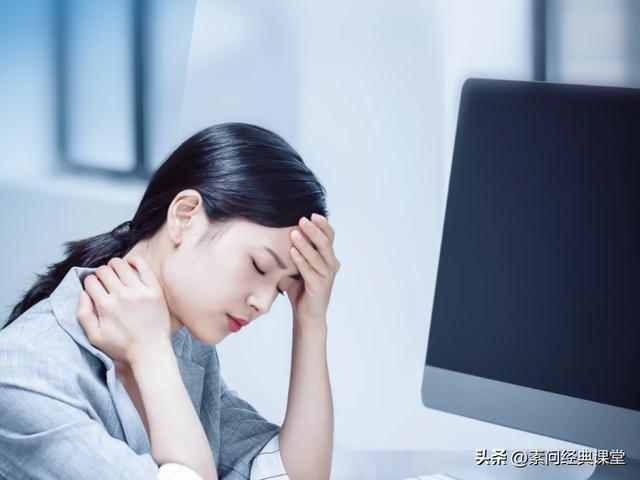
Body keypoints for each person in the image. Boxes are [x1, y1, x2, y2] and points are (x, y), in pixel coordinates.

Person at [0, 123, 340, 480]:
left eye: (281, 288)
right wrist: (151, 355)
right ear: (185, 216)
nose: (264, 304)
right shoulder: (22, 372)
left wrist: (311, 320)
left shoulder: (185, 343)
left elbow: (290, 475)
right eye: (259, 266)